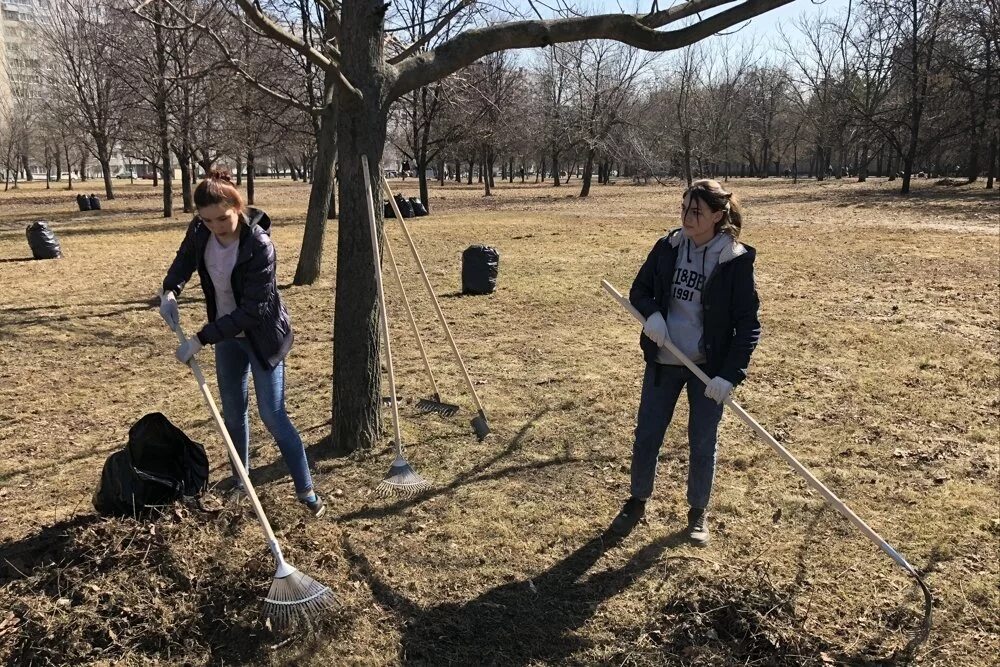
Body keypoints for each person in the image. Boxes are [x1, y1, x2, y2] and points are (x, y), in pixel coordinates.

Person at [158, 171, 325, 517]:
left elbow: (253, 311)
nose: (215, 226)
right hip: (226, 339)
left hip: (262, 338)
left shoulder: (259, 245)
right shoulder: (200, 230)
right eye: (206, 219)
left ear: (237, 207)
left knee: (273, 415)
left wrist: (201, 338)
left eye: (222, 217)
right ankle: (241, 483)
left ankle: (306, 491)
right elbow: (184, 260)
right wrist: (170, 290)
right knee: (233, 415)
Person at [613, 179, 761, 545]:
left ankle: (698, 512)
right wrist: (652, 315)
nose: (686, 217)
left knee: (702, 441)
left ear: (717, 215)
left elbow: (748, 325)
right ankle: (636, 500)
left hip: (707, 369)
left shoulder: (734, 261)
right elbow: (640, 290)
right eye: (683, 209)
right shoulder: (668, 247)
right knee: (647, 434)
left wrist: (729, 375)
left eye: (695, 212)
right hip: (664, 361)